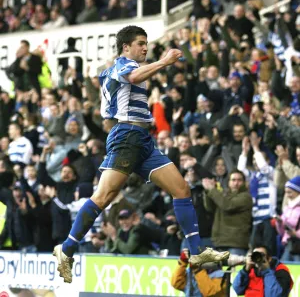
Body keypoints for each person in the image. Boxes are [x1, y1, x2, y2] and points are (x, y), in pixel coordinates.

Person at [53, 25, 230, 283]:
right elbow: (133, 77)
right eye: (140, 43)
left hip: (143, 139)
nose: (145, 47)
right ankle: (66, 249)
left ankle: (196, 253)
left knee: (182, 189)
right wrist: (165, 60)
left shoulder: (128, 69)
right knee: (104, 196)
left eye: (146, 43)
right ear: (126, 47)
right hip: (126, 137)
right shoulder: (122, 66)